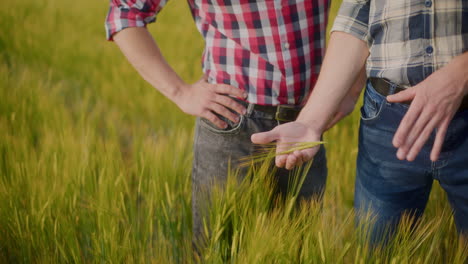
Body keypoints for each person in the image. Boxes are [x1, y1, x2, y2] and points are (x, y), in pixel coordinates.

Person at [105, 0, 361, 249]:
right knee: (218, 247)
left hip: (307, 124)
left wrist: (350, 91)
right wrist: (180, 92)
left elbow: (369, 8)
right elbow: (124, 13)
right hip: (232, 124)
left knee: (297, 247)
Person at [252, 0, 468, 243]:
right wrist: (310, 122)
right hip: (387, 116)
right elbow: (357, 15)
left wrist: (461, 72)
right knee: (376, 247)